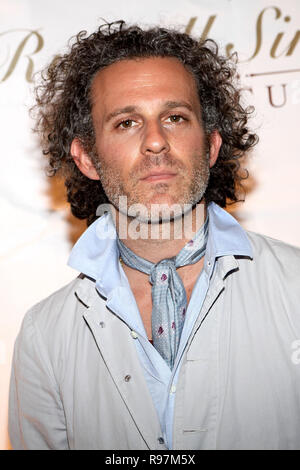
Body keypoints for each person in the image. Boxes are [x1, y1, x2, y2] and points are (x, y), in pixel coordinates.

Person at [9, 20, 300, 450]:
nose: (156, 141)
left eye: (175, 117)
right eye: (127, 122)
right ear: (86, 157)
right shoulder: (44, 337)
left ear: (212, 144)